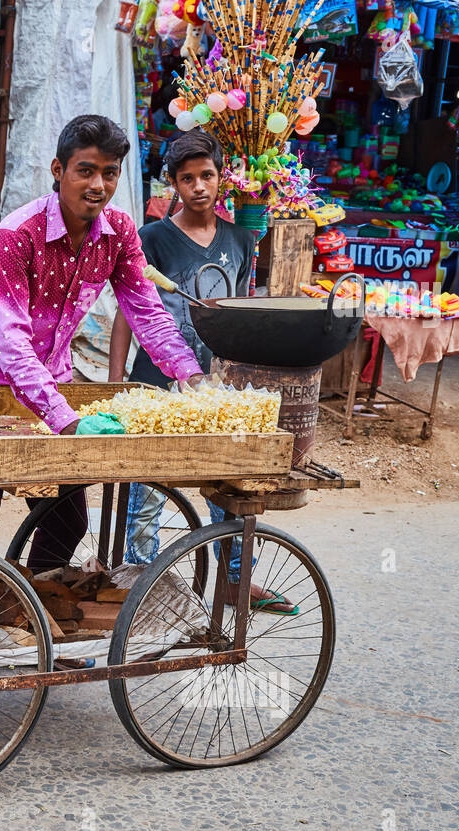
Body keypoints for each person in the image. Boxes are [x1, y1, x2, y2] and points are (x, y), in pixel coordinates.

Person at [0, 114, 202, 570]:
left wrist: (192, 374)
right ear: (58, 170)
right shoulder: (16, 235)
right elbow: (11, 342)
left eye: (109, 173)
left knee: (67, 522)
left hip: (53, 387)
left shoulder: (120, 233)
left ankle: (34, 605)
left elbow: (147, 312)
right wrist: (66, 421)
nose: (97, 185)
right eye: (85, 170)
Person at [109, 129, 296, 614]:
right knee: (147, 489)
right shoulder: (152, 239)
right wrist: (116, 382)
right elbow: (128, 313)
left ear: (221, 179)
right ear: (173, 183)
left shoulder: (241, 239)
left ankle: (236, 580)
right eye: (187, 178)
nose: (198, 186)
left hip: (217, 387)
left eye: (206, 175)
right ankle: (142, 580)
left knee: (228, 485)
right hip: (156, 383)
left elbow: (243, 310)